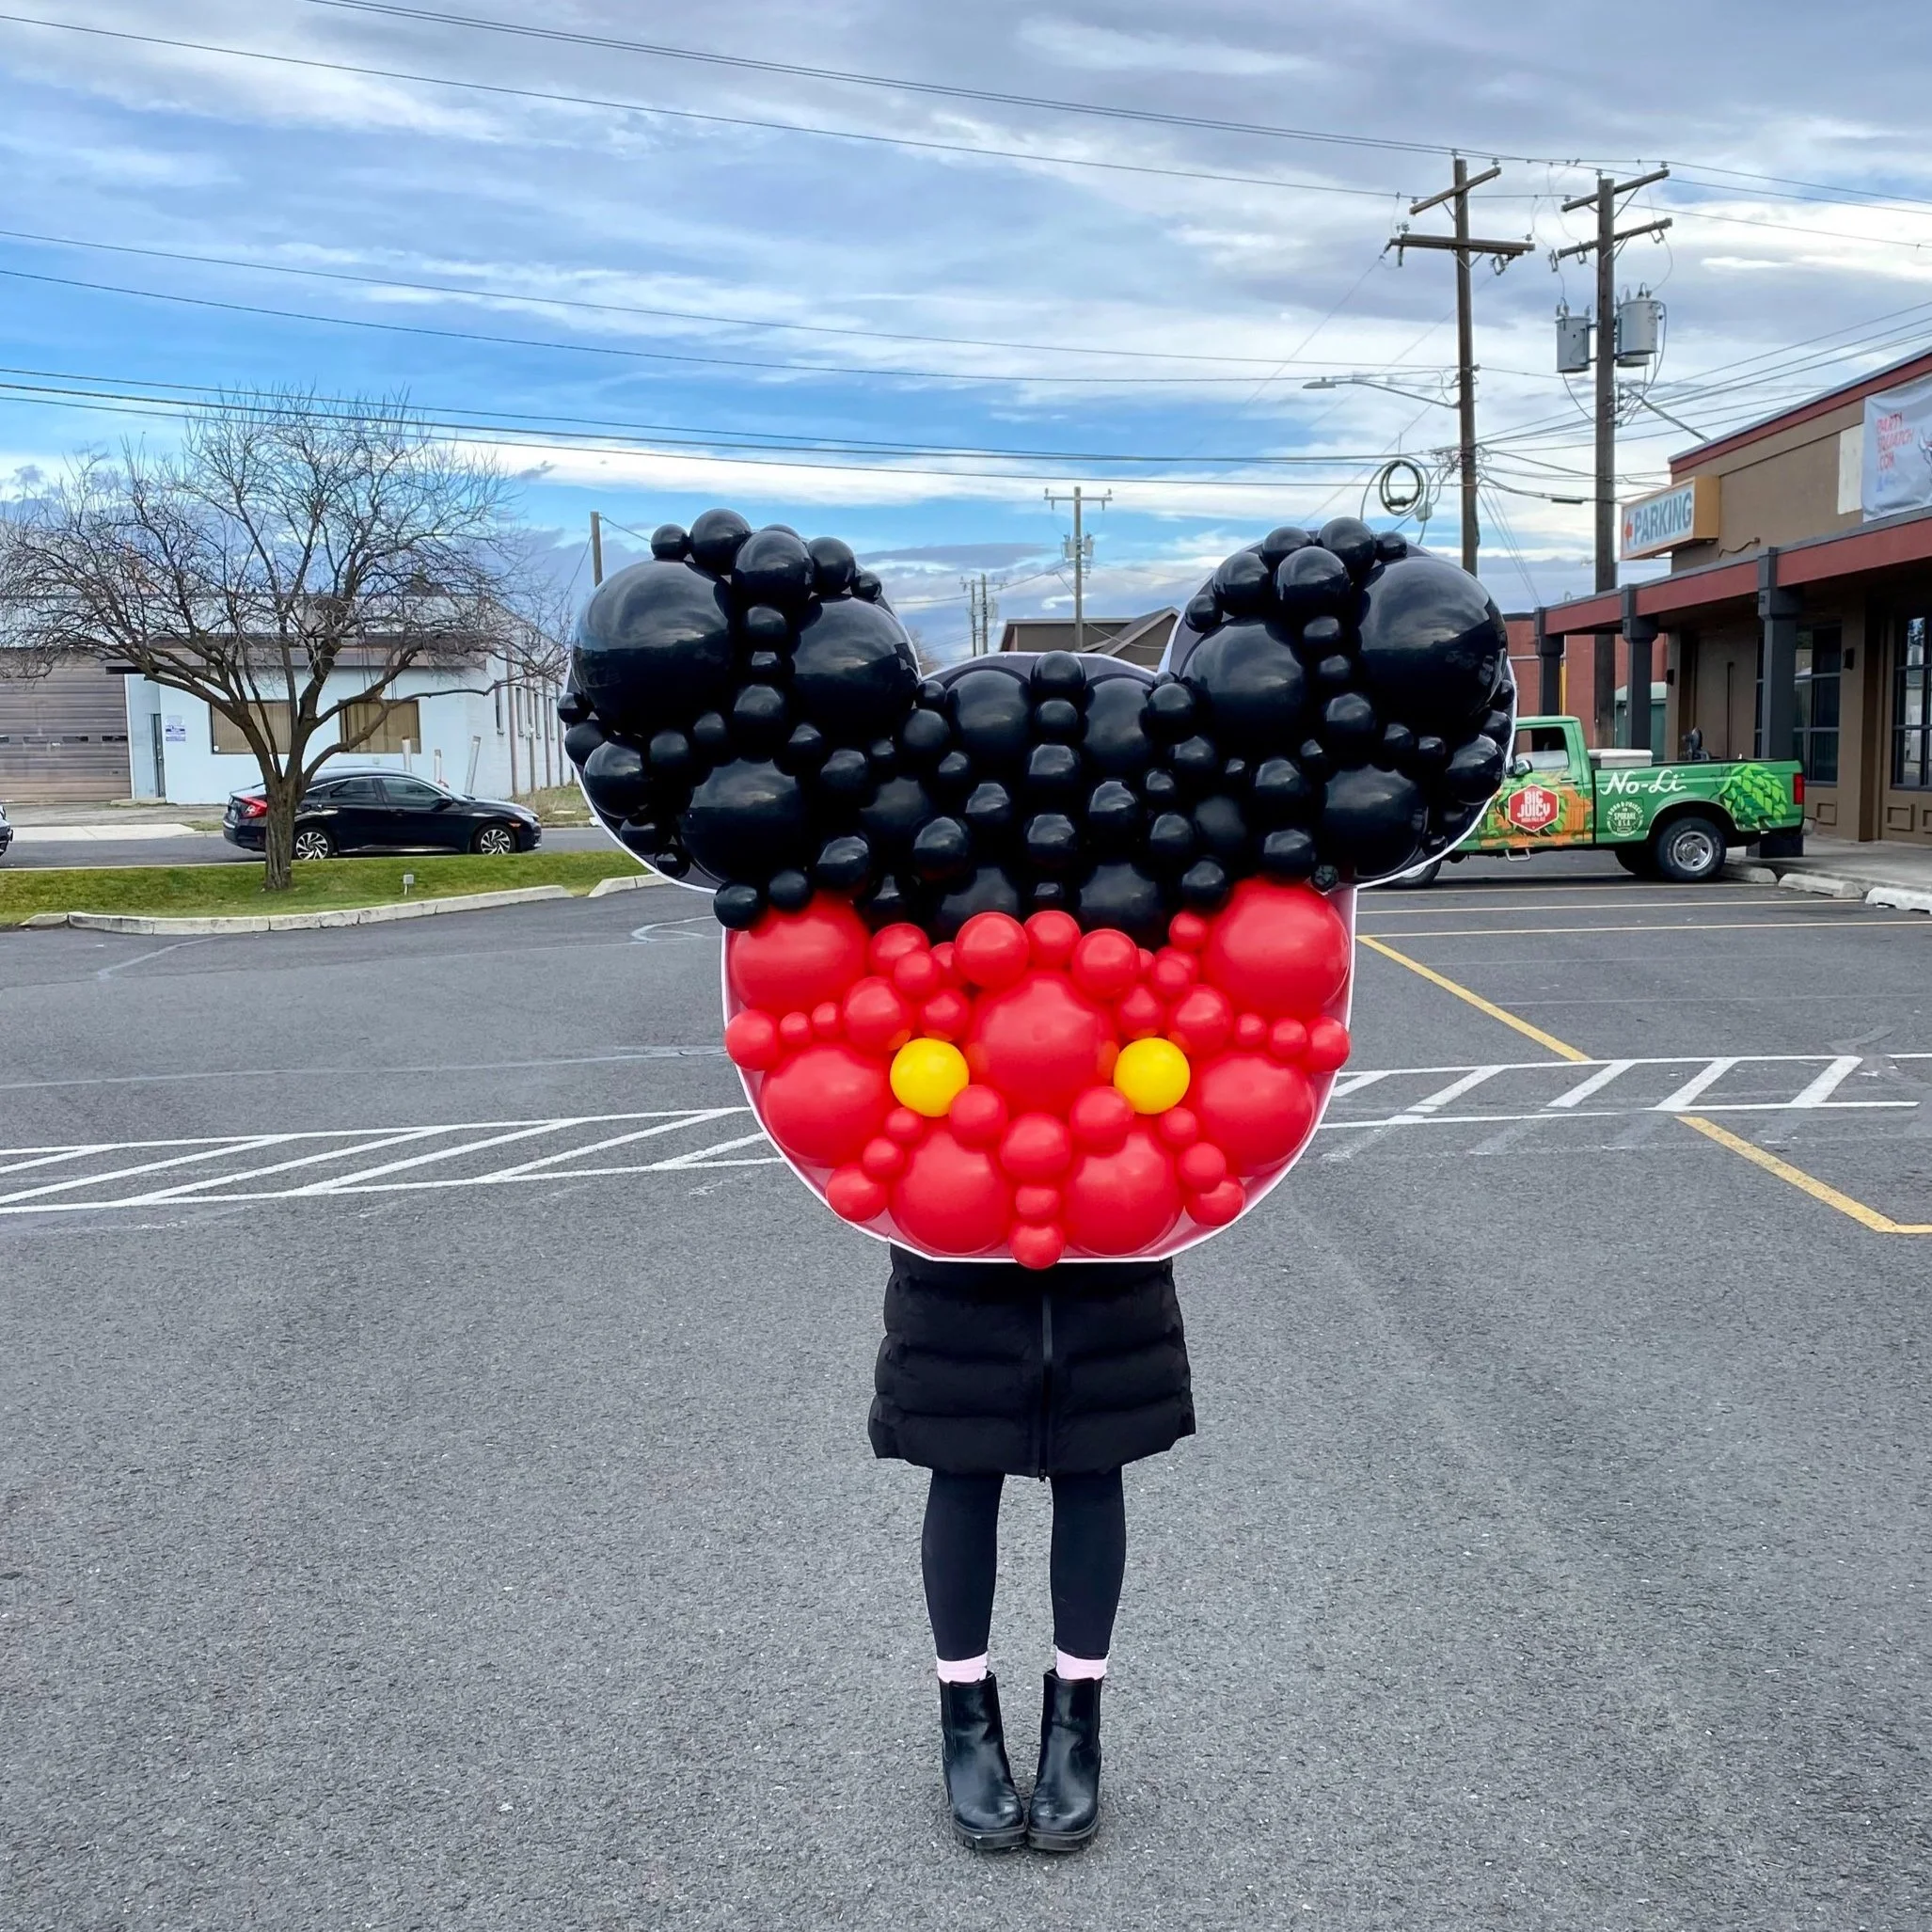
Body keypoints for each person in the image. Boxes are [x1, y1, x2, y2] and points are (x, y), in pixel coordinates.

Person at [869, 1243, 1195, 1852]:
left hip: (1107, 1226)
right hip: (960, 1225)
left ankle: (1076, 1727)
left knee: (1094, 1458)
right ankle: (966, 1725)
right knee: (961, 1459)